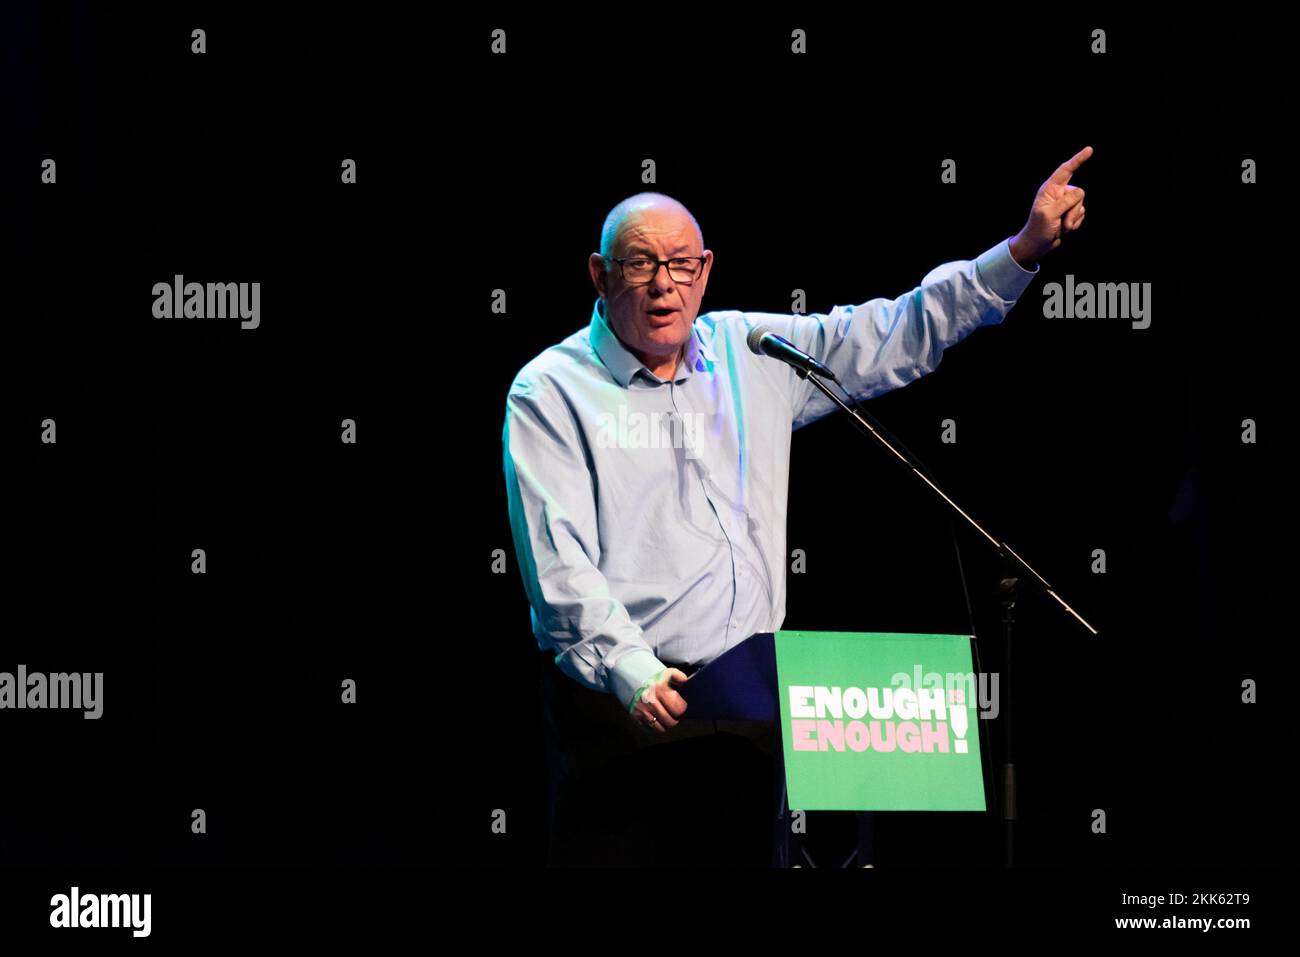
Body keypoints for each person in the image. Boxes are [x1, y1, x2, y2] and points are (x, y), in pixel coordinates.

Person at [503, 147, 1091, 866]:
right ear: (600, 274)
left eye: (682, 265)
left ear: (706, 271)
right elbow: (559, 570)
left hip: (750, 709)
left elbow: (893, 330)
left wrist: (1020, 251)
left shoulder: (754, 351)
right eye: (639, 264)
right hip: (628, 717)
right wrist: (632, 671)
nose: (664, 284)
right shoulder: (551, 390)